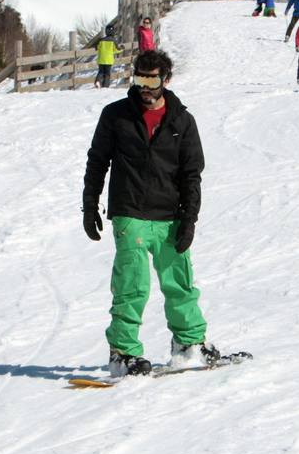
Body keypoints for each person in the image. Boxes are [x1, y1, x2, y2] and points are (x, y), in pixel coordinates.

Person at [82, 49, 219, 377]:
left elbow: (191, 174)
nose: (144, 87)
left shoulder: (182, 121)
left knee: (180, 283)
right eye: (139, 79)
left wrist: (190, 220)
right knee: (133, 285)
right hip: (130, 212)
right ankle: (123, 351)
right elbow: (97, 162)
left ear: (166, 80)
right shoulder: (116, 115)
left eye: (151, 80)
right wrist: (90, 205)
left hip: (170, 215)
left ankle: (189, 343)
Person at [95, 24, 118, 88]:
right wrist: (122, 49)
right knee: (107, 74)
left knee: (101, 72)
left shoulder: (101, 40)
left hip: (101, 59)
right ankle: (105, 86)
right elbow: (116, 50)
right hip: (109, 60)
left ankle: (98, 81)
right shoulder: (113, 40)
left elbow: (97, 48)